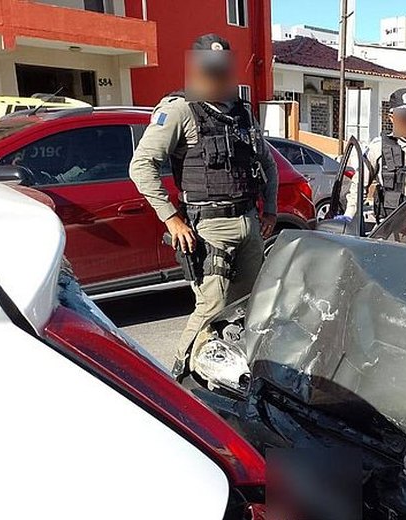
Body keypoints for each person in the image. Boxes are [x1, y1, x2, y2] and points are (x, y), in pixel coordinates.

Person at [129, 34, 278, 377]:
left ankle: (230, 371)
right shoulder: (180, 109)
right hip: (209, 227)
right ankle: (179, 376)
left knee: (247, 305)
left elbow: (267, 163)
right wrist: (171, 218)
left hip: (249, 221)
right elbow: (141, 166)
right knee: (211, 306)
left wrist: (269, 208)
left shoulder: (241, 112)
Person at [341, 88, 406, 222]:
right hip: (391, 227)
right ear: (392, 118)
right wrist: (349, 215)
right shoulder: (378, 147)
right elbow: (359, 185)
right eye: (405, 116)